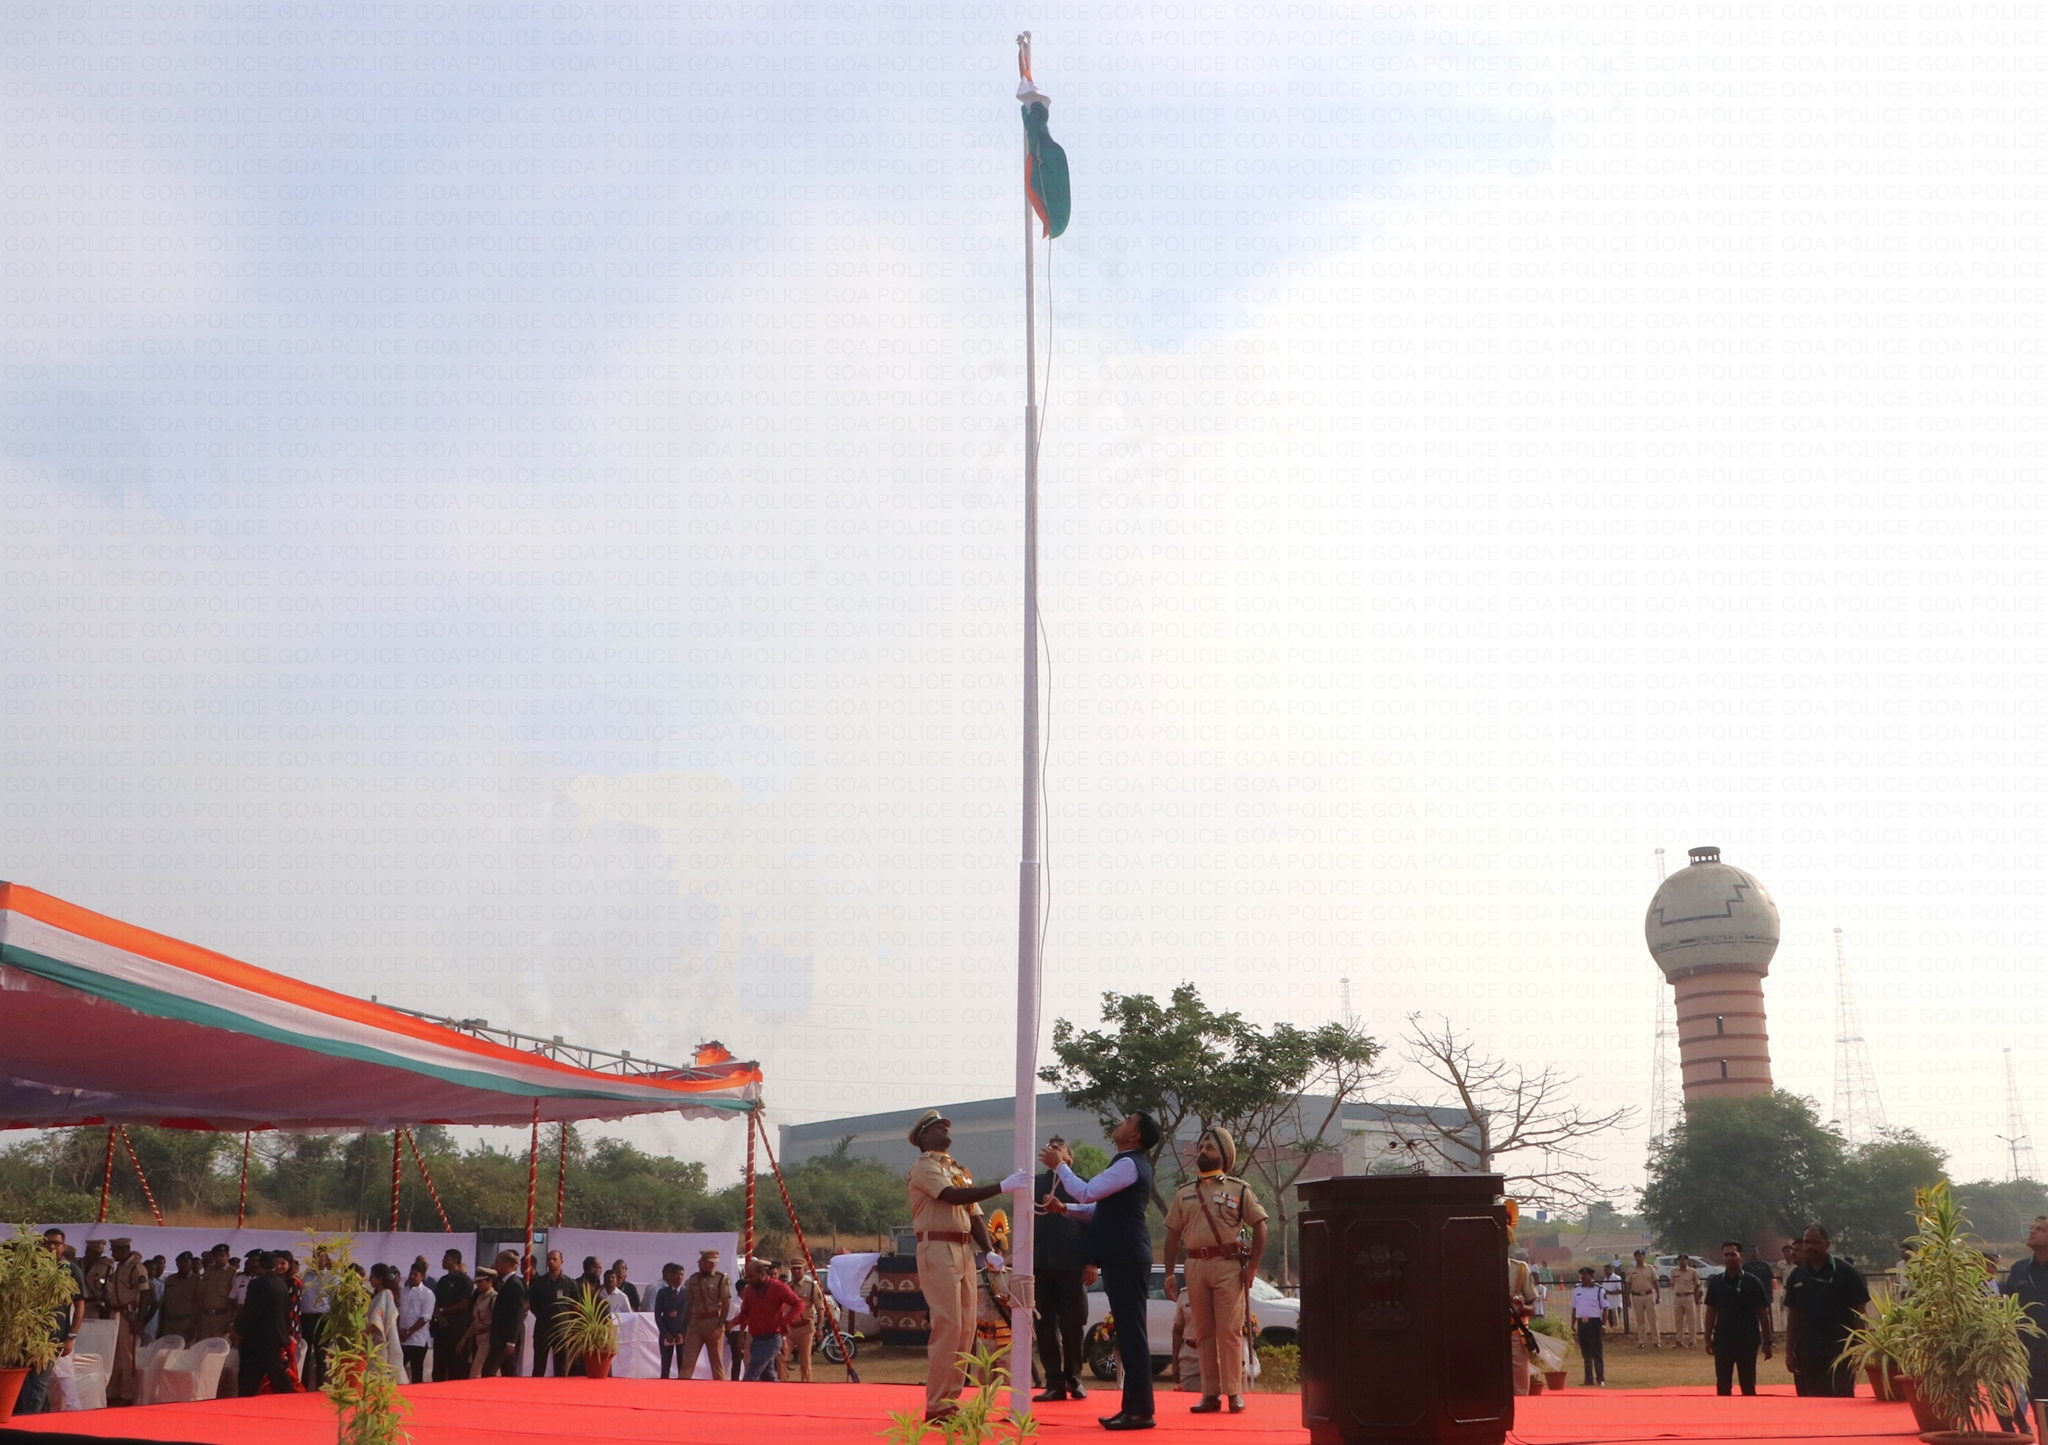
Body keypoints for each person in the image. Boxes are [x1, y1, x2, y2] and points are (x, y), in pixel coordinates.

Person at [1043, 1111, 1163, 1432]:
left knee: (1132, 1335)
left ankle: (1140, 1411)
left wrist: (1060, 1166)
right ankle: (1135, 1408)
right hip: (1124, 1256)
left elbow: (1087, 1192)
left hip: (1126, 1256)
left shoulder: (1128, 1164)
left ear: (1136, 1136)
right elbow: (1097, 1209)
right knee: (1129, 1333)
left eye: (1128, 1120)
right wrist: (1065, 1208)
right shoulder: (1128, 1164)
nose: (1121, 1122)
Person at [907, 1108, 1025, 1422]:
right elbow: (953, 1196)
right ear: (924, 1137)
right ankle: (937, 1405)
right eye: (938, 1127)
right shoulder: (925, 1167)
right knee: (948, 1326)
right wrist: (1001, 1186)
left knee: (965, 1329)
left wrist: (988, 1251)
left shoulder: (957, 1169)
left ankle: (950, 1402)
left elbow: (974, 1214)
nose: (946, 1129)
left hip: (962, 1249)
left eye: (946, 1125)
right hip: (937, 1246)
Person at [1161, 1125, 1269, 1414]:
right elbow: (1172, 1234)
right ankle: (1210, 1393)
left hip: (1228, 1266)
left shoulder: (1238, 1189)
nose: (1203, 1152)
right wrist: (1170, 1273)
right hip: (1195, 1265)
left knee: (1229, 1331)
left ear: (1225, 1153)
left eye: (1210, 1147)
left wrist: (1253, 1267)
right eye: (1201, 1147)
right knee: (1203, 1333)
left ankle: (1233, 1392)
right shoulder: (1185, 1192)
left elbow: (1260, 1226)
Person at [1033, 1134, 1095, 1403]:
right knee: (1044, 1324)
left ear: (1070, 1157)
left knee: (1073, 1323)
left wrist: (1092, 1262)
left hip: (1072, 1264)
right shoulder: (1035, 1184)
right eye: (1051, 1147)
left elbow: (1094, 1224)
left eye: (1060, 1147)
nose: (1054, 1149)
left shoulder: (1082, 1185)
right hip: (1040, 1264)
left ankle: (1075, 1379)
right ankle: (1054, 1382)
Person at [1783, 1223, 1869, 1396]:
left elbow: (1860, 1312)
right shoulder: (1797, 1275)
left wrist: (1861, 1348)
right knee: (1812, 1403)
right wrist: (1789, 1351)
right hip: (1808, 1351)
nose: (1810, 1246)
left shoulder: (1846, 1272)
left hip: (1841, 1350)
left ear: (1827, 1244)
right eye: (1807, 1242)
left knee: (1842, 1401)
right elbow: (1793, 1315)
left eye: (1816, 1242)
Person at [1703, 1241, 1773, 1396]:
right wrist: (1707, 1338)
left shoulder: (1753, 1282)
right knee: (1723, 1385)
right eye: (1726, 1255)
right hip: (1723, 1340)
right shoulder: (1716, 1282)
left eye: (1733, 1254)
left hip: (1748, 1340)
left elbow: (1763, 1314)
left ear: (1741, 1256)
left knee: (1748, 1384)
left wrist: (1767, 1342)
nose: (1729, 1258)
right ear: (1722, 1258)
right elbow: (1711, 1312)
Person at [233, 1251, 300, 1397]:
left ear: (260, 1264)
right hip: (275, 1335)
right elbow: (286, 1310)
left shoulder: (258, 1283)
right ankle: (245, 1396)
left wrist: (238, 1329)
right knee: (258, 1371)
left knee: (267, 1371)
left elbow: (251, 1310)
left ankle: (289, 1395)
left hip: (258, 1336)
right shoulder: (281, 1283)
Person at [2002, 1217, 2048, 1410]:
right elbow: (2006, 1310)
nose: (2032, 1231)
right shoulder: (2019, 1270)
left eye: (2040, 1229)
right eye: (2032, 1228)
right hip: (2031, 1355)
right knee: (2041, 1411)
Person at [732, 1257, 803, 1381]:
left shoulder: (778, 1287)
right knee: (768, 1377)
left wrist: (786, 1321)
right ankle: (778, 1393)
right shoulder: (749, 1290)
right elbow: (745, 1313)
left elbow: (799, 1304)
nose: (748, 1279)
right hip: (756, 1339)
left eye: (751, 1276)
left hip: (771, 1339)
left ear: (762, 1274)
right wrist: (733, 1323)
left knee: (750, 1376)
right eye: (746, 1276)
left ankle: (743, 1394)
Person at [105, 1237, 152, 1406]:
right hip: (116, 1312)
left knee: (127, 1356)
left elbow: (145, 1293)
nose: (114, 1255)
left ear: (124, 1249)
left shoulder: (136, 1267)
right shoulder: (119, 1267)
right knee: (115, 1354)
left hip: (128, 1314)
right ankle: (114, 1391)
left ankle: (128, 1393)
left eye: (116, 1251)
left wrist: (139, 1319)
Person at [678, 1249, 731, 1381]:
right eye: (709, 1262)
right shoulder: (693, 1279)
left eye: (714, 1262)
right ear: (701, 1262)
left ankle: (721, 1390)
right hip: (696, 1322)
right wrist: (688, 1326)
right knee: (688, 1361)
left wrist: (720, 1326)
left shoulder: (721, 1278)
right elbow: (689, 1303)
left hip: (713, 1322)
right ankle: (681, 1388)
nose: (712, 1265)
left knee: (716, 1362)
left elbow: (726, 1304)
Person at [528, 1250, 577, 1377]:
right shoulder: (539, 1282)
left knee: (561, 1368)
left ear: (562, 1262)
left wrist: (565, 1319)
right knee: (538, 1367)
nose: (551, 1262)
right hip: (542, 1330)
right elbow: (532, 1304)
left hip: (562, 1332)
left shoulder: (570, 1283)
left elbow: (576, 1306)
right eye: (549, 1259)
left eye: (554, 1259)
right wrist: (542, 1316)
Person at [430, 1248, 474, 1383]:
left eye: (446, 1258)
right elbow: (436, 1302)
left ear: (454, 1260)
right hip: (441, 1330)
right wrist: (439, 1316)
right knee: (439, 1366)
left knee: (456, 1366)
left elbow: (464, 1304)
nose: (443, 1260)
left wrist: (444, 1311)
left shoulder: (465, 1281)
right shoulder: (442, 1281)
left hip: (457, 1330)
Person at [784, 1258, 831, 1383]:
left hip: (805, 1328)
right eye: (794, 1268)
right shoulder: (787, 1287)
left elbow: (820, 1309)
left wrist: (819, 1328)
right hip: (789, 1328)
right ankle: (783, 1383)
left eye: (799, 1268)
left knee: (805, 1360)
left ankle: (806, 1384)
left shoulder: (811, 1286)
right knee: (782, 1357)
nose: (796, 1271)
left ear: (804, 1270)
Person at [483, 1251, 525, 1378]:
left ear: (506, 1264)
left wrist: (511, 1342)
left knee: (488, 1371)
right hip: (500, 1338)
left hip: (505, 1339)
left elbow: (517, 1315)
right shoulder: (505, 1283)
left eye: (498, 1262)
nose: (495, 1265)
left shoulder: (514, 1285)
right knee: (509, 1372)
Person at [299, 1244, 334, 1390]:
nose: (318, 1259)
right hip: (306, 1316)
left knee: (321, 1352)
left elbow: (334, 1299)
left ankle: (321, 1386)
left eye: (321, 1256)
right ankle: (304, 1385)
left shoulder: (332, 1277)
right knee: (305, 1351)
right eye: (315, 1256)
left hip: (323, 1317)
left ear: (326, 1258)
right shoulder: (304, 1276)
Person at [398, 1263, 436, 1384]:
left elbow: (425, 1317)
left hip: (418, 1340)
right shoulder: (402, 1292)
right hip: (402, 1339)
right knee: (398, 1369)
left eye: (416, 1274)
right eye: (411, 1273)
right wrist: (399, 1331)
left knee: (416, 1371)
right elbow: (397, 1313)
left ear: (422, 1276)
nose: (412, 1276)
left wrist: (409, 1332)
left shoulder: (427, 1294)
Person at [367, 1265, 405, 1381]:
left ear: (380, 1278)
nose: (369, 1279)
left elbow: (378, 1320)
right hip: (373, 1341)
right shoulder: (376, 1296)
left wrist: (365, 1333)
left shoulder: (386, 1294)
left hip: (381, 1341)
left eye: (372, 1276)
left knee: (379, 1373)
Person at [1570, 1266, 1606, 1387]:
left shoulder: (1598, 1290)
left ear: (1591, 1277)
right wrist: (1572, 1324)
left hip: (1594, 1323)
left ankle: (1600, 1378)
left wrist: (1603, 1325)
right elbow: (1574, 1308)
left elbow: (1605, 1308)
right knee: (1586, 1353)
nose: (1583, 1278)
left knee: (1596, 1352)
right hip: (1582, 1323)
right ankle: (1588, 1379)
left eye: (1586, 1276)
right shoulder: (1577, 1289)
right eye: (1582, 1276)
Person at [156, 1251, 201, 1345]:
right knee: (167, 1351)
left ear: (191, 1263)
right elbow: (164, 1303)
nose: (183, 1265)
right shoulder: (170, 1279)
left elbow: (200, 1305)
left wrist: (194, 1327)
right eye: (180, 1262)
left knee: (185, 1352)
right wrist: (161, 1325)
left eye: (186, 1262)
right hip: (169, 1324)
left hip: (186, 1324)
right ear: (176, 1264)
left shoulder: (197, 1280)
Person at [197, 1246, 237, 1342]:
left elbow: (234, 1298)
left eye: (222, 1255)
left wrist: (231, 1320)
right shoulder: (209, 1271)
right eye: (216, 1256)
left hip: (222, 1317)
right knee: (204, 1346)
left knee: (219, 1346)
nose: (219, 1258)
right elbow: (201, 1294)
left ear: (228, 1256)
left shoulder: (232, 1272)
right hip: (206, 1317)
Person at [656, 1263, 689, 1379]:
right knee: (665, 1366)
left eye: (681, 1275)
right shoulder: (662, 1293)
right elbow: (657, 1314)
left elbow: (690, 1315)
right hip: (667, 1333)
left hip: (682, 1334)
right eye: (676, 1274)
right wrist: (664, 1332)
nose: (679, 1277)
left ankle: (683, 1387)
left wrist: (683, 1333)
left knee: (683, 1365)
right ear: (671, 1276)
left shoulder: (687, 1293)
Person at [464, 1268, 497, 1378]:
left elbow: (498, 1322)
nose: (478, 1285)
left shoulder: (494, 1298)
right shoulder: (479, 1298)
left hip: (488, 1338)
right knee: (485, 1372)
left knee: (476, 1372)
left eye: (480, 1281)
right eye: (477, 1282)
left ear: (489, 1281)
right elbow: (475, 1322)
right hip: (478, 1338)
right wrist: (464, 1339)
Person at [1669, 1255, 1703, 1350]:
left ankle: (1692, 1341)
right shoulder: (1674, 1272)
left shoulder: (1692, 1272)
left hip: (1689, 1296)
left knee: (1691, 1320)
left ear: (1687, 1261)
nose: (1682, 1262)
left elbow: (1697, 1284)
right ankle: (1679, 1341)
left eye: (1683, 1260)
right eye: (1680, 1260)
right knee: (1678, 1321)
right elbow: (1672, 1283)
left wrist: (1693, 1294)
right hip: (1678, 1297)